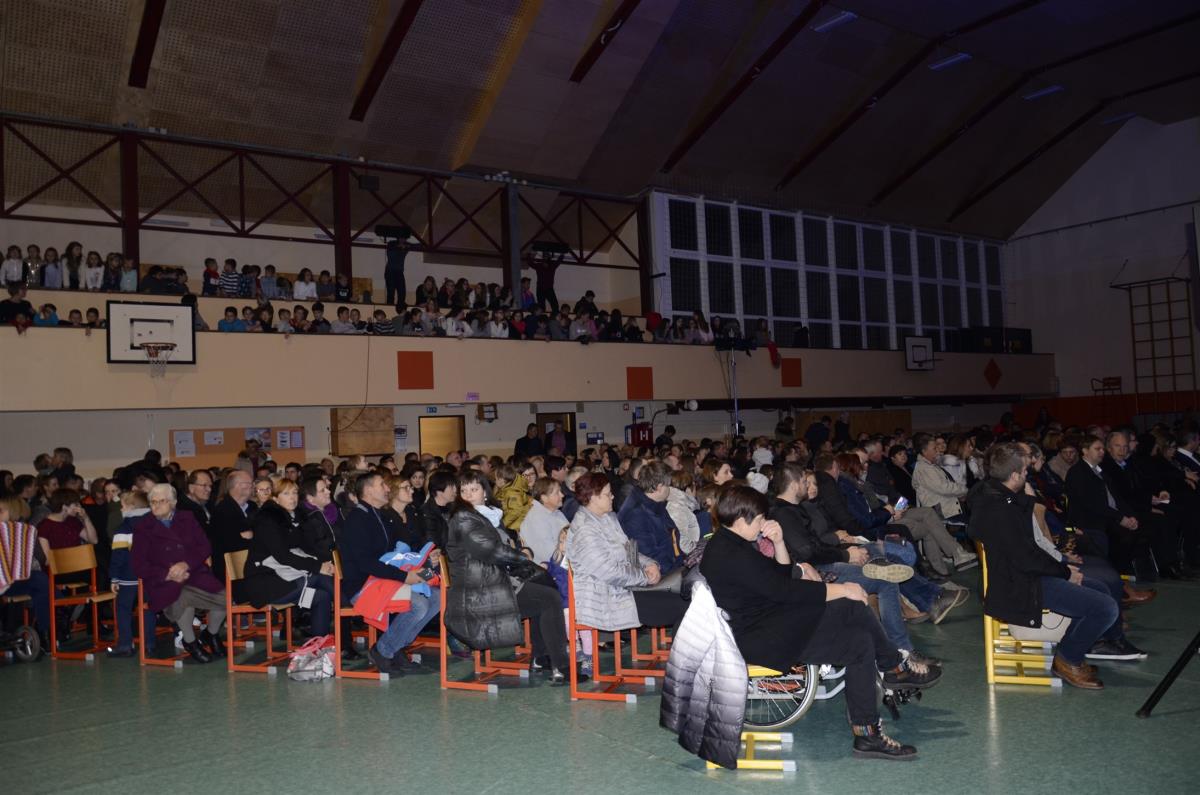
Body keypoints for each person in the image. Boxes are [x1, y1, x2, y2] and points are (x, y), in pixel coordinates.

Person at [700, 485, 939, 760]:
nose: (764, 524)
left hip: (772, 622)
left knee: (855, 618)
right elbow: (784, 591)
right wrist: (842, 588)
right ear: (742, 520)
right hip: (762, 637)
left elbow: (779, 577)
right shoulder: (731, 554)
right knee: (856, 631)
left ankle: (888, 682)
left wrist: (779, 543)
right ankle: (881, 700)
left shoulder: (732, 543)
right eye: (761, 519)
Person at [969, 444, 1130, 689]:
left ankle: (1072, 652)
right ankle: (1068, 659)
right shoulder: (1001, 510)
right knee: (1106, 608)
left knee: (1101, 590)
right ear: (1014, 475)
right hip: (1022, 585)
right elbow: (1026, 557)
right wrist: (1064, 572)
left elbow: (1027, 549)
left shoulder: (994, 495)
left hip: (1023, 575)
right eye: (1025, 471)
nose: (1027, 475)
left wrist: (1062, 568)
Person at [445, 471, 572, 682]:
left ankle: (542, 658)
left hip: (496, 581)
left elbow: (507, 544)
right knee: (549, 599)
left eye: (473, 489)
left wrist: (524, 552)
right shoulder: (463, 518)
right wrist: (523, 558)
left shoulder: (489, 516)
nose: (468, 495)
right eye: (463, 490)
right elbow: (491, 550)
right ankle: (561, 666)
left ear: (485, 492)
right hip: (480, 594)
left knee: (546, 585)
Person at [339, 473, 440, 675]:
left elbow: (397, 553)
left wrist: (425, 560)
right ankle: (383, 651)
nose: (387, 488)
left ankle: (396, 646)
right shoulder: (357, 519)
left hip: (384, 580)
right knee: (418, 604)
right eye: (382, 485)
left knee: (438, 596)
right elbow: (366, 563)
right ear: (368, 490)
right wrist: (405, 577)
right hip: (364, 585)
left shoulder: (380, 516)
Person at [566, 473, 686, 633]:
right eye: (608, 494)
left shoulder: (608, 517)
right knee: (682, 608)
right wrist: (644, 577)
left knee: (684, 600)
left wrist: (649, 563)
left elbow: (628, 549)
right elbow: (609, 572)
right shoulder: (585, 530)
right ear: (593, 498)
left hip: (625, 589)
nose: (612, 496)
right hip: (606, 598)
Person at [132, 484, 227, 664]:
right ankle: (190, 642)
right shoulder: (143, 527)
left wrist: (186, 564)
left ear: (173, 502)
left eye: (162, 501)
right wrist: (168, 574)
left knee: (225, 599)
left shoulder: (187, 518)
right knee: (179, 596)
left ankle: (211, 634)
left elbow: (204, 546)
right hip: (163, 581)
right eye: (153, 502)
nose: (156, 505)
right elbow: (139, 566)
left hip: (194, 574)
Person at [238, 480, 335, 638]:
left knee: (321, 597)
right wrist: (318, 567)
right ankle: (350, 610)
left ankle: (318, 646)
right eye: (286, 493)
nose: (292, 497)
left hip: (288, 578)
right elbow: (283, 556)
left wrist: (328, 563)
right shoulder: (268, 520)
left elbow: (309, 547)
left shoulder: (296, 517)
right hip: (266, 582)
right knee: (319, 577)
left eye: (295, 492)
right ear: (275, 499)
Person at [617, 461, 685, 576]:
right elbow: (650, 557)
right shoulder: (635, 515)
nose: (670, 489)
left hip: (673, 567)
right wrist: (679, 571)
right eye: (668, 485)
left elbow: (671, 538)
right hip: (661, 576)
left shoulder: (655, 504)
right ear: (659, 487)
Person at [208, 471, 255, 582]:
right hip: (232, 572)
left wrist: (252, 535)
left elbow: (263, 532)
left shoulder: (252, 507)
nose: (253, 486)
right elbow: (231, 544)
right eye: (249, 483)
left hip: (251, 564)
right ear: (237, 486)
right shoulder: (223, 510)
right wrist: (252, 536)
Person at [912, 435, 968, 523]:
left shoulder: (931, 464)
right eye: (934, 448)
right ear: (924, 451)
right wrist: (964, 490)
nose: (937, 450)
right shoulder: (924, 468)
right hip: (943, 512)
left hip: (948, 507)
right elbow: (944, 488)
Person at [519, 477, 569, 563]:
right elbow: (550, 555)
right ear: (544, 498)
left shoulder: (555, 512)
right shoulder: (536, 520)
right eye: (557, 492)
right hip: (550, 567)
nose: (562, 495)